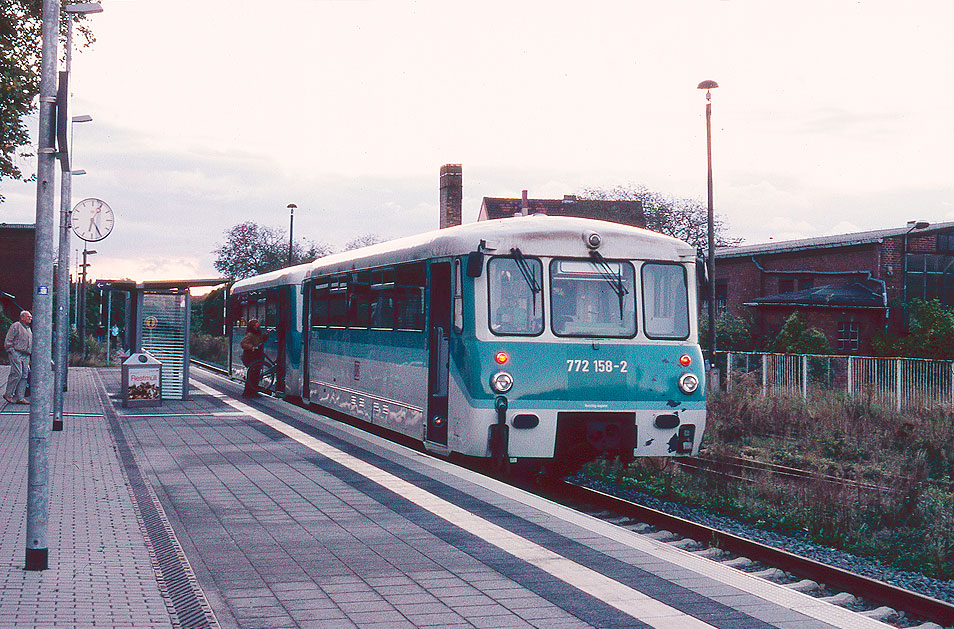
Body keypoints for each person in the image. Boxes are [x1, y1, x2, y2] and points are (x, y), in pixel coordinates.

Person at [4, 310, 32, 405]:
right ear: (22, 317)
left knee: (24, 375)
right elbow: (9, 339)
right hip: (16, 352)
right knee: (17, 373)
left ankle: (20, 397)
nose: (30, 319)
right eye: (28, 317)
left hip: (26, 354)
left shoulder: (28, 328)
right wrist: (11, 350)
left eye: (30, 317)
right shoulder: (16, 326)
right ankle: (8, 394)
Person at [240, 319, 268, 397]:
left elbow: (261, 341)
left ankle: (253, 391)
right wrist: (252, 347)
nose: (258, 324)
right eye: (256, 323)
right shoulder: (250, 334)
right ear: (253, 325)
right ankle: (248, 392)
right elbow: (243, 343)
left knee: (256, 374)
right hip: (251, 356)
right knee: (252, 374)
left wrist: (265, 336)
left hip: (257, 355)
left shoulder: (258, 333)